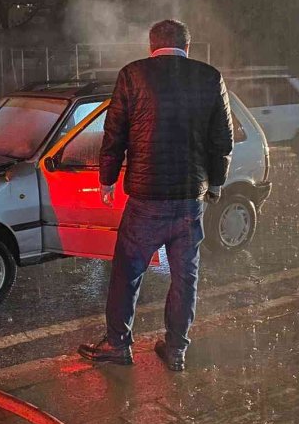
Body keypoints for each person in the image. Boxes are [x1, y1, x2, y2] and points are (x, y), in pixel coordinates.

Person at [78, 19, 234, 371]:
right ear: (187, 47)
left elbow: (113, 134)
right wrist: (217, 183)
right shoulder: (210, 77)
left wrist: (106, 181)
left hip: (145, 200)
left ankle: (119, 344)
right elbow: (222, 140)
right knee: (185, 276)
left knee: (127, 272)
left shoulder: (133, 75)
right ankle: (176, 348)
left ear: (151, 47)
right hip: (189, 201)